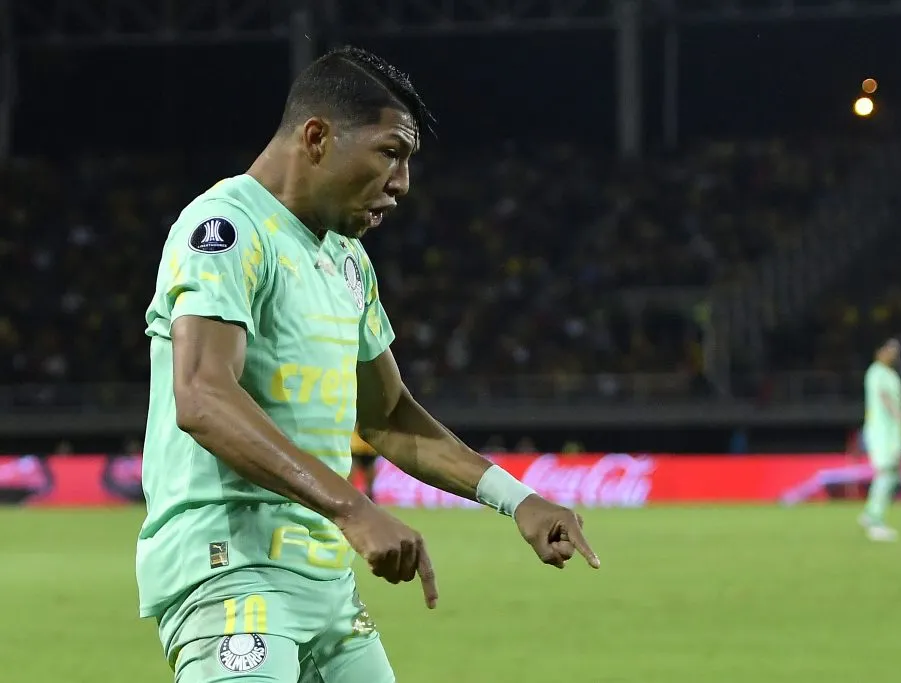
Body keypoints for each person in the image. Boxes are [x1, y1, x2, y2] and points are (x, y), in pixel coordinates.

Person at [136, 46, 600, 683]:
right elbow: (202, 396)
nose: (403, 182)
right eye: (390, 152)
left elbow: (386, 415)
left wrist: (516, 499)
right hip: (230, 574)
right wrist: (355, 509)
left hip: (326, 585)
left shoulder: (348, 263)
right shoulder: (226, 229)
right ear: (318, 137)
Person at [858, 338, 901, 541]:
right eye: (889, 350)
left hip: (893, 432)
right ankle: (876, 522)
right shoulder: (876, 372)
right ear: (880, 351)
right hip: (881, 432)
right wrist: (896, 413)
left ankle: (870, 514)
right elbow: (884, 396)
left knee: (891, 474)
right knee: (886, 473)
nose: (893, 354)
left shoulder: (891, 374)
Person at [350, 426, 379, 502]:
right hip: (355, 446)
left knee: (369, 479)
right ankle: (350, 498)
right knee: (351, 475)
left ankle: (370, 499)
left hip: (369, 447)